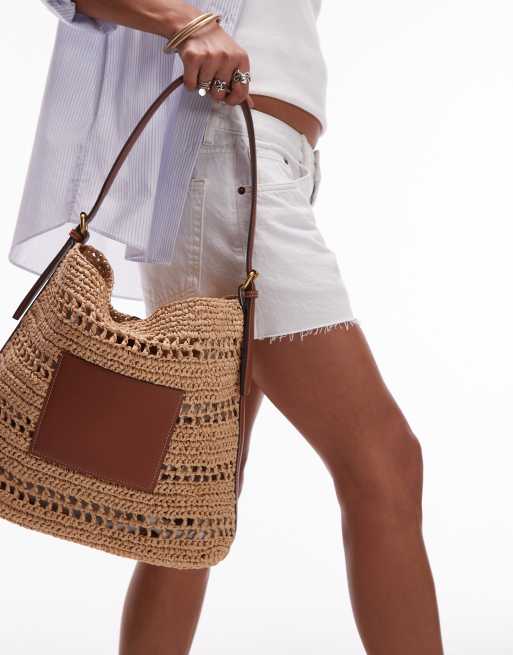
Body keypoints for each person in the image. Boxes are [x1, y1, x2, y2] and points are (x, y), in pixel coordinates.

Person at [8, 1, 445, 654]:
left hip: (257, 163)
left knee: (197, 490)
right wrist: (183, 21)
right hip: (225, 159)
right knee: (384, 461)